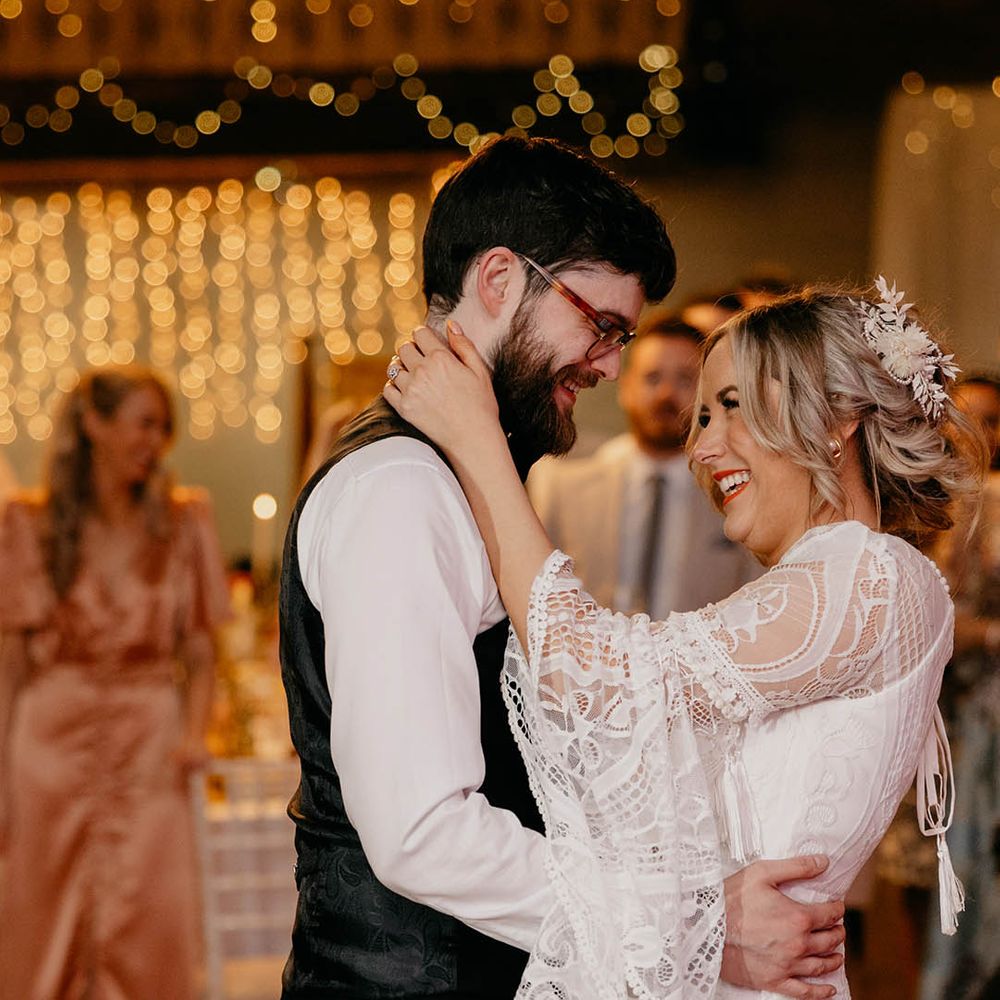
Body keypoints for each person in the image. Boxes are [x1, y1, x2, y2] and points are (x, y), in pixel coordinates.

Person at [278, 136, 847, 1000]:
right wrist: (692, 924)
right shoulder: (400, 488)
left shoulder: (460, 473)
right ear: (501, 279)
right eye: (602, 325)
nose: (612, 365)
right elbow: (421, 831)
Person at [383, 277, 985, 997]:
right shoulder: (839, 581)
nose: (701, 446)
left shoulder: (871, 577)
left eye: (732, 407)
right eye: (702, 417)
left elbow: (597, 680)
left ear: (835, 419)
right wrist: (702, 914)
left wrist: (478, 442)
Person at [0, 366, 230, 999]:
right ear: (95, 425)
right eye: (143, 423)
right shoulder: (30, 524)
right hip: (48, 741)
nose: (156, 441)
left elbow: (203, 651)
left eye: (163, 427)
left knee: (150, 906)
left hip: (150, 737)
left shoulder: (186, 522)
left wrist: (193, 734)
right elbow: (12, 665)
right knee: (42, 908)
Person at [530, 313, 759, 619]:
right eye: (652, 378)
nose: (666, 394)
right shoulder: (562, 483)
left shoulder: (735, 492)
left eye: (684, 380)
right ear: (626, 388)